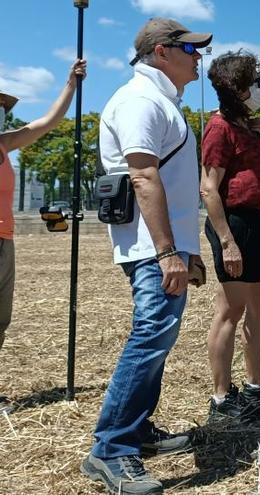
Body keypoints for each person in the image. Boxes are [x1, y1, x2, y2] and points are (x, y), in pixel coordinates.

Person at [81, 18, 211, 495]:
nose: (198, 58)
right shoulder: (141, 101)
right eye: (191, 50)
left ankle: (134, 430)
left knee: (157, 336)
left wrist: (184, 250)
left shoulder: (159, 101)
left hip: (161, 244)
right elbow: (142, 178)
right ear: (161, 52)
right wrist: (168, 253)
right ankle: (111, 450)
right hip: (151, 246)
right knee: (151, 334)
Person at [200, 50, 260, 423]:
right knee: (230, 310)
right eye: (255, 82)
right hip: (237, 225)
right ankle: (221, 398)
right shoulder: (219, 128)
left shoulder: (252, 125)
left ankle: (256, 381)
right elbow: (208, 188)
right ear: (238, 88)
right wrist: (227, 240)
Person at [0, 61, 87, 403]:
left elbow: (46, 122)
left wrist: (70, 85)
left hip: (6, 240)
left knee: (1, 319)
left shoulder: (5, 145)